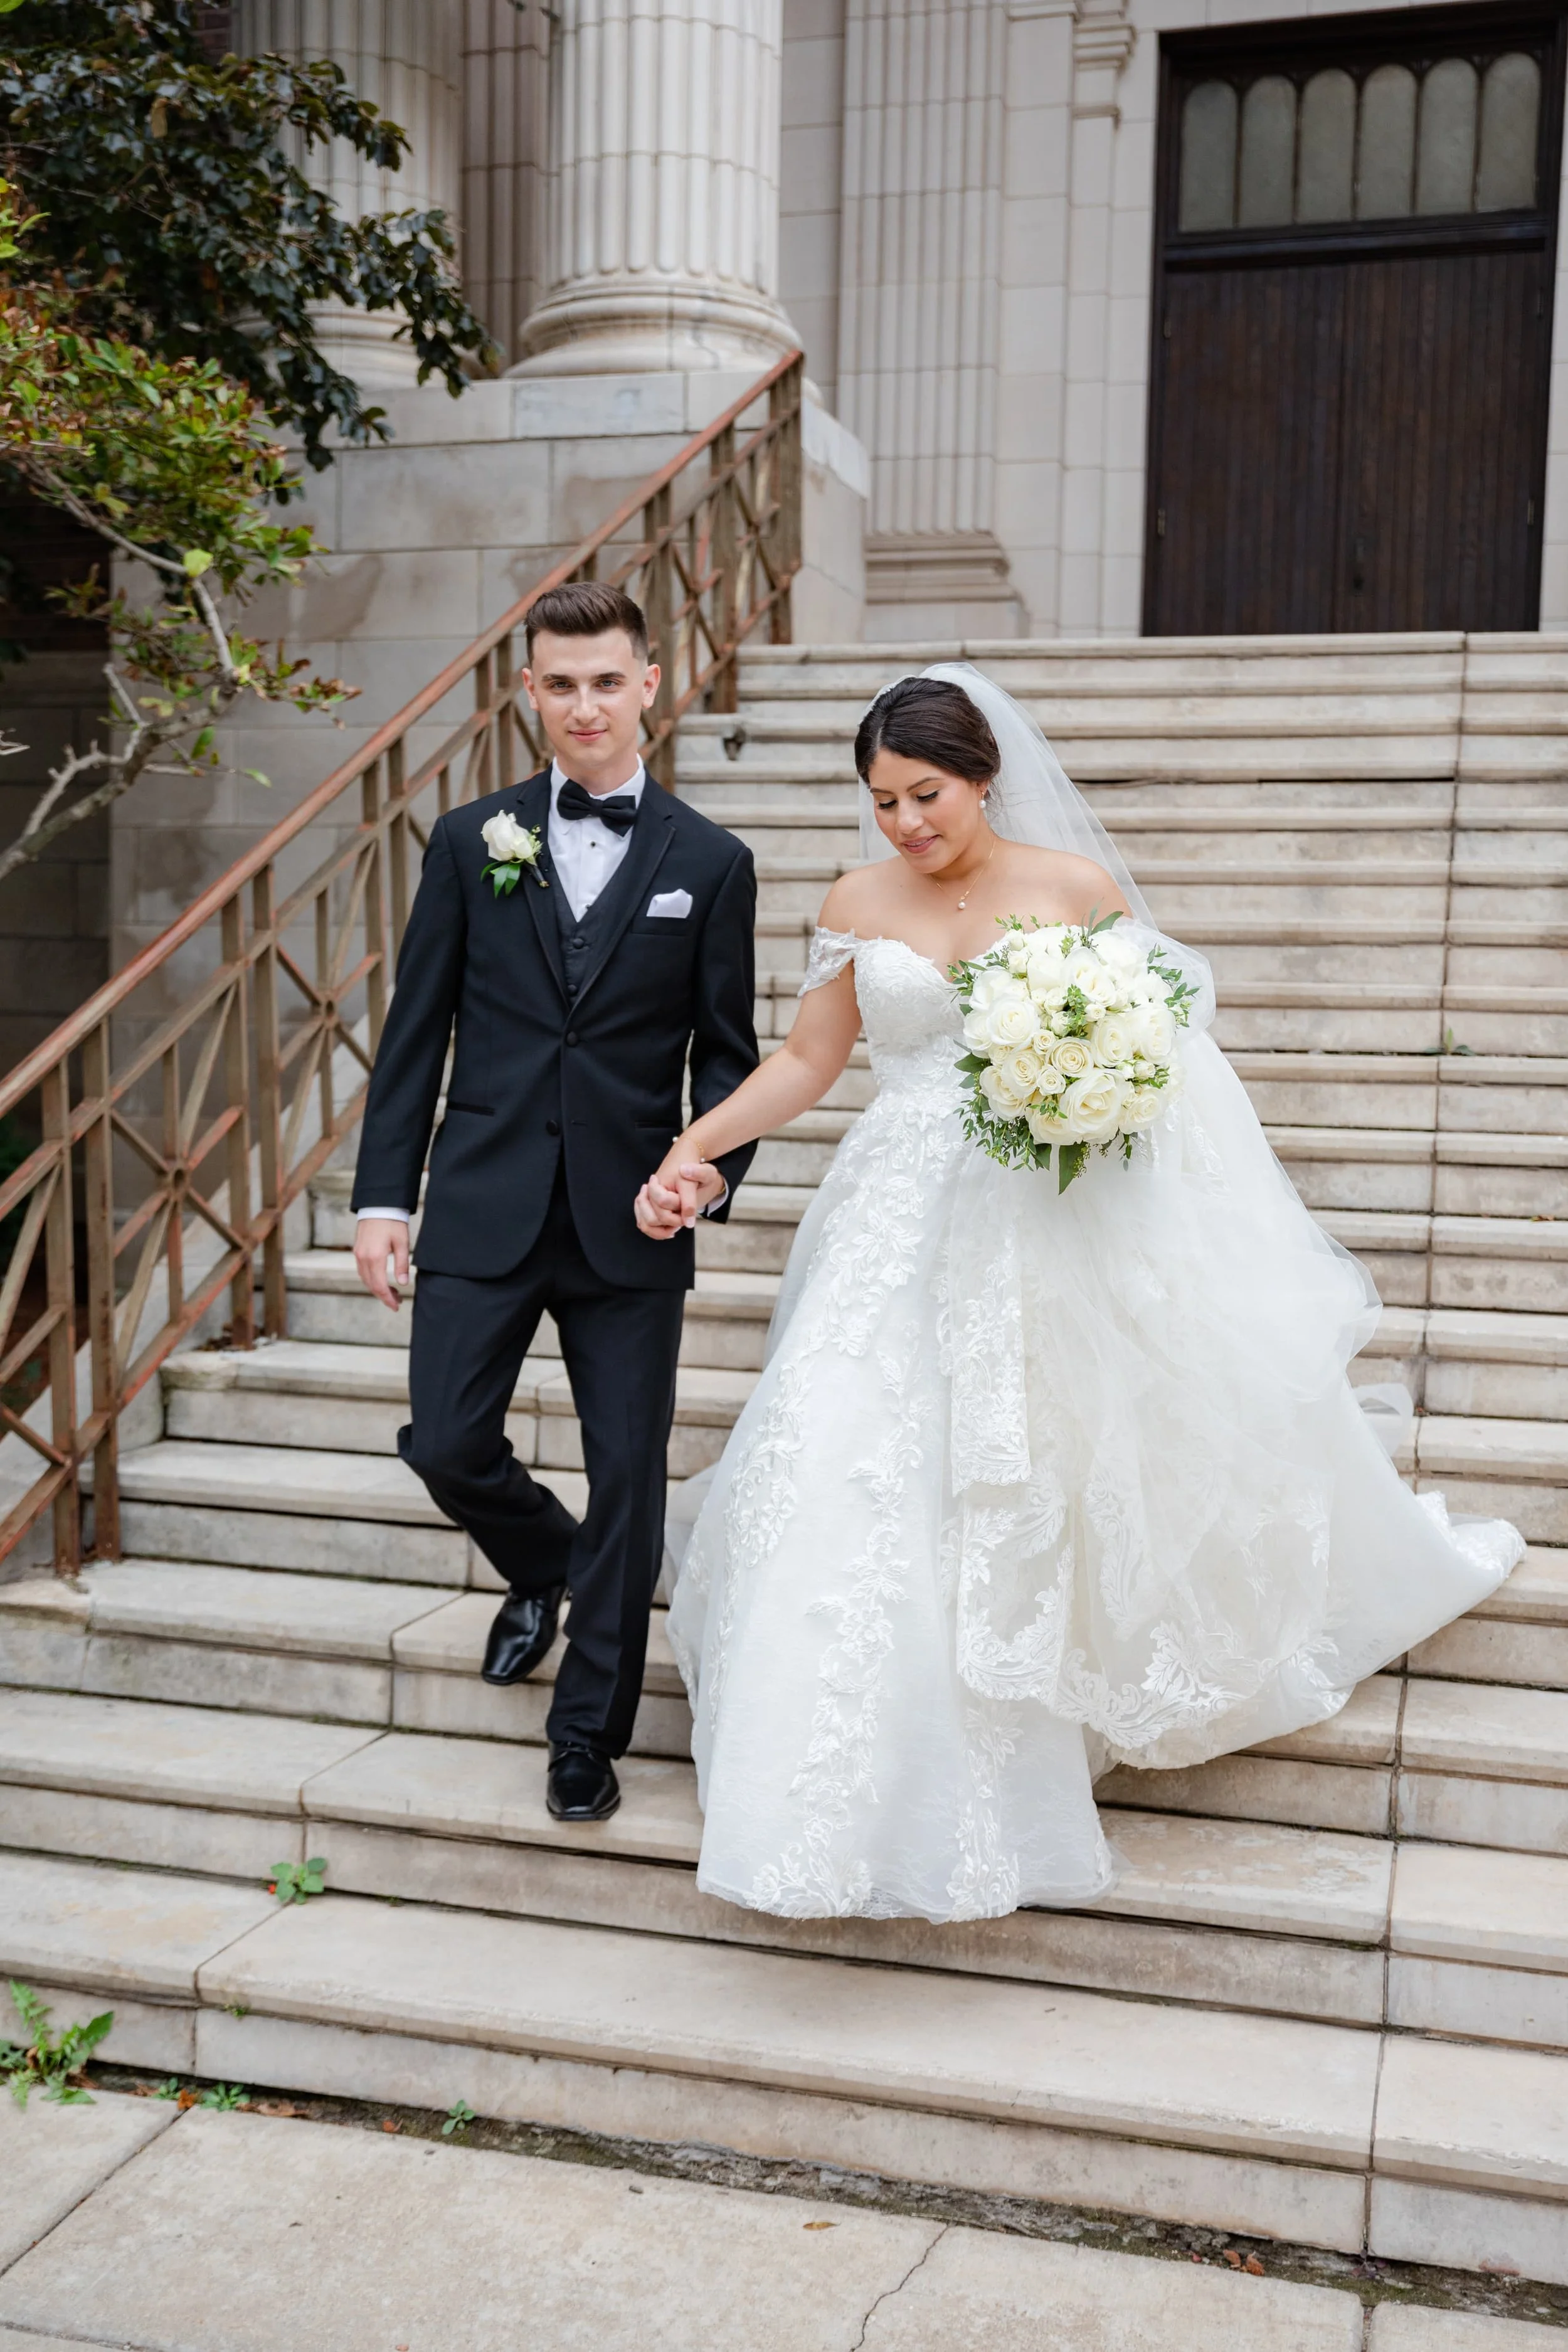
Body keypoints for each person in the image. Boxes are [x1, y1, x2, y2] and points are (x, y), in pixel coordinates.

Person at [638, 665, 1523, 1924]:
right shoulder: (853, 901)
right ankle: (815, 1787)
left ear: (981, 777)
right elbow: (806, 1060)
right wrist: (694, 1147)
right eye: (882, 801)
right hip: (892, 1214)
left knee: (1029, 1468)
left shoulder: (1073, 894)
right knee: (842, 1458)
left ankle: (1018, 1726)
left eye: (924, 795)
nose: (903, 825)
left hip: (1042, 1215)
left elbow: (1162, 1060)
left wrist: (1086, 1089)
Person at [353, 581, 758, 1825]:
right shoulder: (471, 842)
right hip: (481, 1196)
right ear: (529, 695)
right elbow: (416, 1032)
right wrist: (381, 1198)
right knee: (444, 1439)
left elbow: (729, 1054)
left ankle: (588, 1735)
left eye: (605, 679)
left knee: (629, 1476)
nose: (583, 705)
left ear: (647, 681)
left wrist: (705, 1167)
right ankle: (542, 1561)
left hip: (630, 1215)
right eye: (559, 683)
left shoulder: (711, 862)